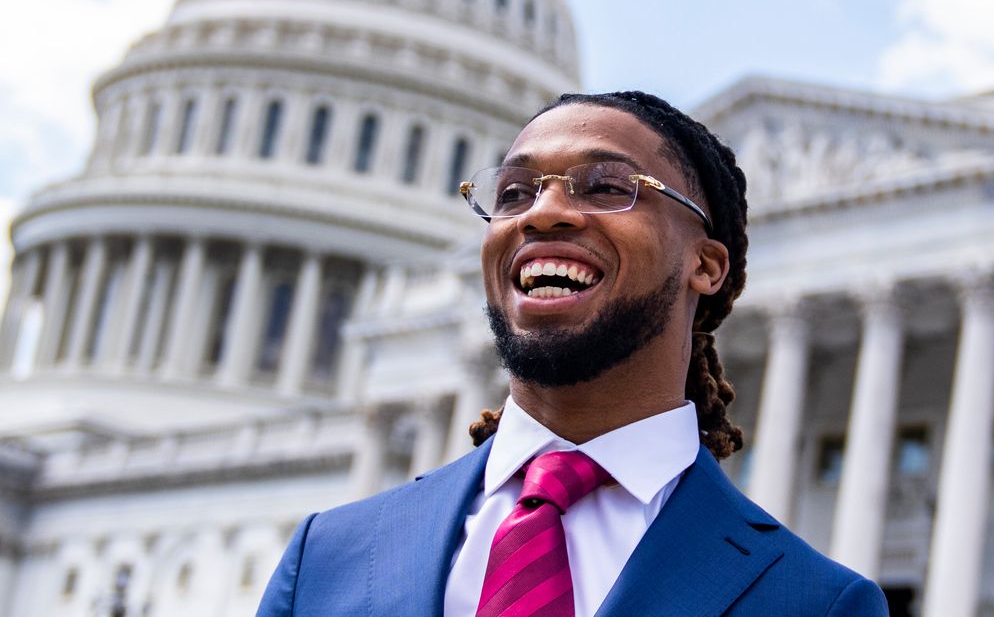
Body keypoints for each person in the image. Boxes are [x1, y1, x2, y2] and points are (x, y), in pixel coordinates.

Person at [257, 91, 887, 616]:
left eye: (607, 186)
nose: (545, 211)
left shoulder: (816, 603)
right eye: (513, 192)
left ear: (706, 264)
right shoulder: (328, 555)